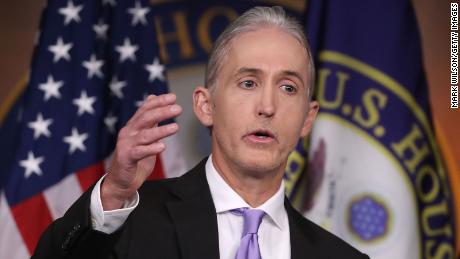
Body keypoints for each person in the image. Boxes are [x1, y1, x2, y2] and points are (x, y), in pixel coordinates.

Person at [32, 6, 369, 259]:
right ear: (206, 106)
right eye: (248, 82)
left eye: (288, 88)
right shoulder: (127, 223)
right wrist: (113, 192)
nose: (267, 106)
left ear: (307, 120)